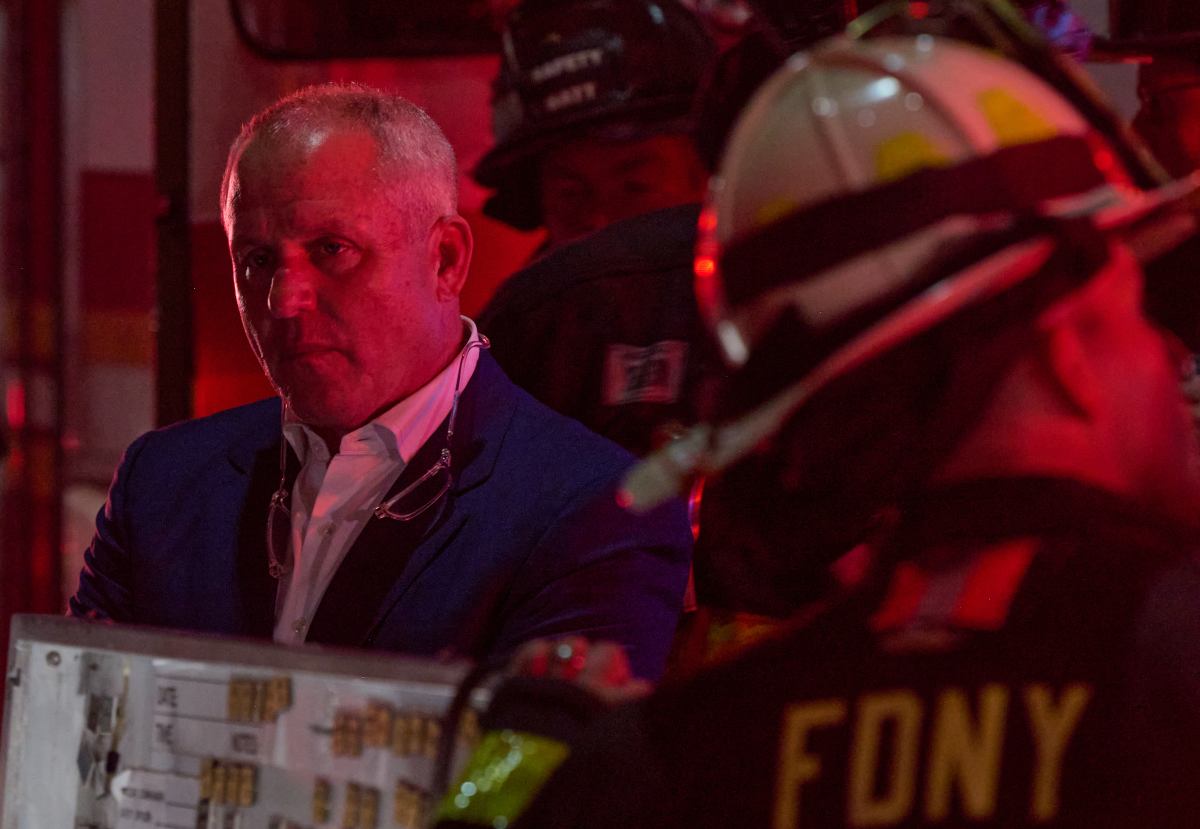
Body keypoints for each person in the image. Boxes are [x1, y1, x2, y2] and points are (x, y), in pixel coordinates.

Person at [435, 35, 1200, 827]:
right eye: (1137, 317)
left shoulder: (680, 749)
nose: (1171, 354)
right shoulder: (1175, 667)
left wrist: (535, 770)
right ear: (1065, 346)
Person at [69, 83, 692, 682]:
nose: (285, 300)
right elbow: (75, 738)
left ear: (444, 259)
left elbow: (553, 775)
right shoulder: (162, 481)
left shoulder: (594, 511)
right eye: (257, 261)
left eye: (332, 249)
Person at [472, 0, 715, 251]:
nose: (598, 221)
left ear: (710, 179)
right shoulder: (531, 289)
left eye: (635, 187)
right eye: (570, 194)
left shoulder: (751, 283)